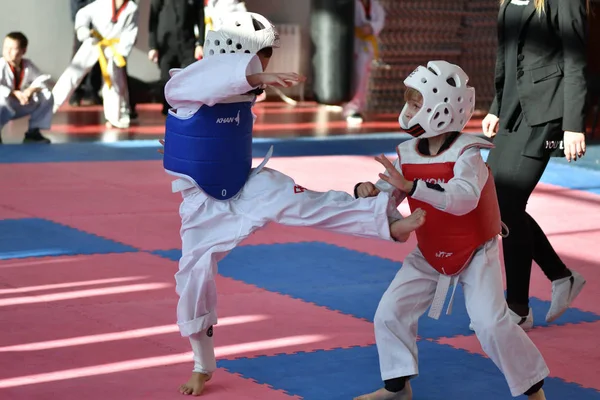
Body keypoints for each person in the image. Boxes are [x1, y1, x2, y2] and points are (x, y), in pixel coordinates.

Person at [159, 12, 426, 396]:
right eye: (263, 55)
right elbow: (201, 86)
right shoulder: (187, 81)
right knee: (193, 282)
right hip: (203, 206)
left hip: (246, 185)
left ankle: (385, 223)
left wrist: (253, 83)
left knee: (305, 203)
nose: (268, 63)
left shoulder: (243, 87)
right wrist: (256, 77)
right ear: (239, 52)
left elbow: (212, 122)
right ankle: (202, 364)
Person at [353, 61, 549, 400]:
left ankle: (534, 391)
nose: (408, 110)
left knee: (490, 324)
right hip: (429, 250)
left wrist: (413, 187)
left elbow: (463, 198)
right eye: (410, 102)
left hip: (475, 250)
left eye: (416, 104)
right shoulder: (407, 154)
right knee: (390, 312)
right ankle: (397, 389)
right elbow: (390, 194)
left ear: (440, 108)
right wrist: (366, 192)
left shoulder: (468, 153)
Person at [481, 0, 588, 330]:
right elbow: (507, 54)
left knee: (510, 204)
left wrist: (573, 124)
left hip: (549, 116)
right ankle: (561, 276)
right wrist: (496, 106)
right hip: (513, 111)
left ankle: (518, 306)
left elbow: (575, 57)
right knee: (495, 204)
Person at [52, 0, 139, 129]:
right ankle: (48, 107)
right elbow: (83, 13)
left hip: (113, 48)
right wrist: (82, 29)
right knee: (73, 74)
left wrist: (122, 51)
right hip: (94, 42)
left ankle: (116, 117)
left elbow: (131, 32)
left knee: (114, 82)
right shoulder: (102, 2)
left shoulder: (132, 8)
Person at [148, 0, 205, 115]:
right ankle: (168, 116)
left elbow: (200, 18)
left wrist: (200, 44)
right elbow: (153, 20)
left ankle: (187, 114)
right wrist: (153, 46)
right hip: (166, 46)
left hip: (187, 44)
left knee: (187, 80)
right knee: (166, 80)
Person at [0, 32, 52, 144]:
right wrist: (13, 93)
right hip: (4, 105)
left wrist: (31, 90)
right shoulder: (1, 64)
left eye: (12, 48)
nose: (7, 51)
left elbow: (43, 79)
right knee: (1, 98)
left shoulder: (27, 65)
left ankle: (33, 133)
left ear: (23, 51)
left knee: (46, 95)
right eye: (5, 47)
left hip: (19, 104)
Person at [344, 0, 386, 124]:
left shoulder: (375, 4)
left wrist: (372, 27)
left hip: (367, 44)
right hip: (352, 41)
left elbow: (381, 20)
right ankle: (350, 108)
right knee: (354, 76)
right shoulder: (352, 3)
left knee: (363, 78)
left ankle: (358, 107)